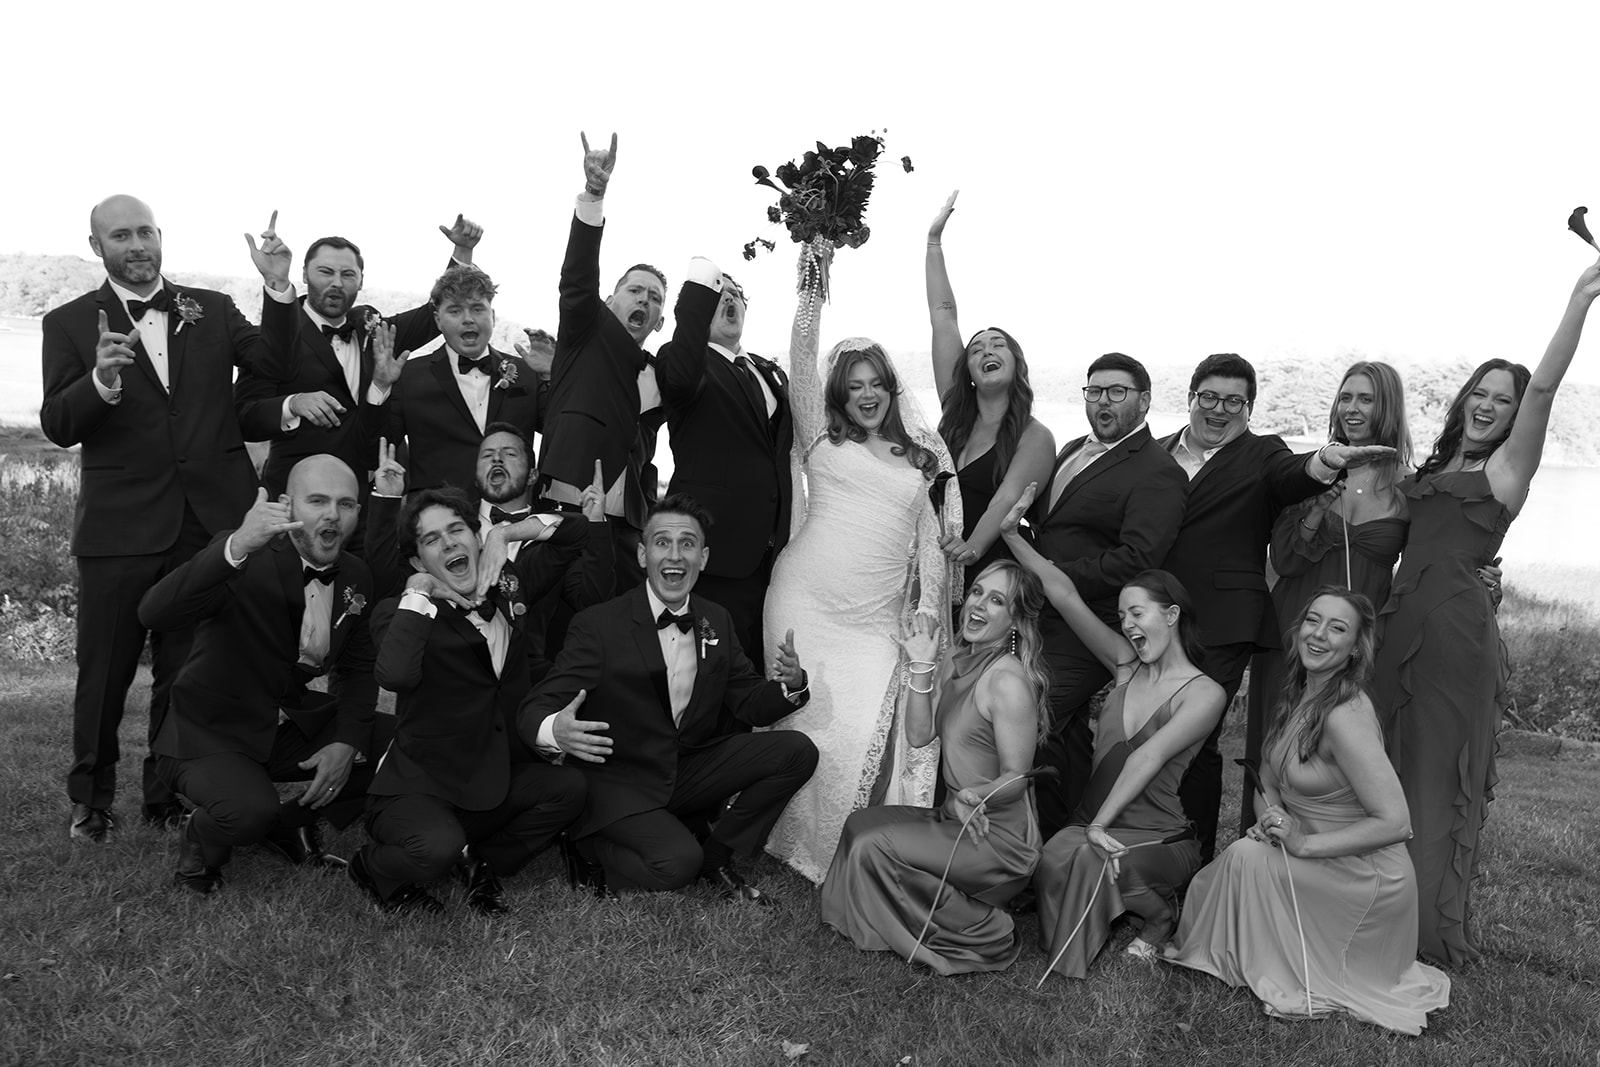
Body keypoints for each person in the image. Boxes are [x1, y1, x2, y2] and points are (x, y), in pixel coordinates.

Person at [41, 195, 299, 838]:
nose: (138, 245)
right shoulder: (70, 323)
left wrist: (275, 285)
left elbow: (272, 361)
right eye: (121, 236)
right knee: (105, 670)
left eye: (146, 232)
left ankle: (165, 793)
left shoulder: (208, 308)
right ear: (97, 246)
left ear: (161, 238)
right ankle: (92, 801)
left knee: (186, 669)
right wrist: (100, 382)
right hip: (118, 530)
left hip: (208, 524)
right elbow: (58, 424)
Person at [1373, 256, 1600, 966]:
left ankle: (1419, 928)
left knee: (1435, 772)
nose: (1488, 404)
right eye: (1481, 391)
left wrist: (1583, 294)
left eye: (1502, 399)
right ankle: (1368, 903)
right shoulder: (1436, 468)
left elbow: (1549, 389)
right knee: (1385, 763)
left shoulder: (1508, 469)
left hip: (1450, 634)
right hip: (1398, 624)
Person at [761, 239, 960, 883]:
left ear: (892, 388)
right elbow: (799, 353)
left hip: (873, 620)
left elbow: (931, 547)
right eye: (854, 386)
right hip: (804, 600)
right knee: (804, 720)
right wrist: (813, 281)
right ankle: (784, 837)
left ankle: (853, 849)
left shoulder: (921, 457)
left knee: (860, 729)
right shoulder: (819, 431)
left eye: (876, 384)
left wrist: (928, 613)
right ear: (838, 395)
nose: (867, 395)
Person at [1166, 590, 1452, 1034]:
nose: (1319, 635)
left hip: (1365, 877)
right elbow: (1268, 779)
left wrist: (1301, 842)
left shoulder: (1345, 715)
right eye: (1313, 621)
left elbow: (1396, 822)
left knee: (1243, 859)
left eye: (1337, 627)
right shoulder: (1300, 693)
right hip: (1313, 855)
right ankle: (1246, 953)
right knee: (1234, 861)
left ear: (1356, 647)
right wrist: (1271, 818)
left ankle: (1292, 962)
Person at [518, 494, 819, 902]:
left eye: (687, 543)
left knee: (797, 751)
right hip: (618, 779)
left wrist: (791, 685)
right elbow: (535, 707)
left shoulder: (717, 619)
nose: (674, 554)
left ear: (704, 557)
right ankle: (584, 845)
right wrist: (556, 729)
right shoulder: (599, 625)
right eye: (662, 542)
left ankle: (716, 856)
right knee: (675, 866)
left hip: (685, 769)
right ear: (642, 554)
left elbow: (748, 699)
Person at [1159, 353, 1392, 861]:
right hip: (1149, 620)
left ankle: (1187, 866)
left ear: (1250, 408)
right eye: (1210, 398)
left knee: (1193, 742)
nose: (1219, 410)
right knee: (1137, 733)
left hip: (1222, 622)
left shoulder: (1263, 454)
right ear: (1192, 397)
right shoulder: (1154, 454)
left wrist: (1324, 462)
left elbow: (1292, 475)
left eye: (1234, 401)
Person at [137, 456, 386, 893]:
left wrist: (346, 742)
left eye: (345, 504)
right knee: (248, 810)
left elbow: (360, 670)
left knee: (396, 744)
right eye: (318, 501)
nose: (332, 514)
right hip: (207, 732)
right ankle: (201, 843)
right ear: (288, 506)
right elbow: (154, 612)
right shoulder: (245, 556)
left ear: (357, 514)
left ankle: (291, 825)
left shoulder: (357, 575)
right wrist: (235, 546)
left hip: (284, 722)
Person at [1006, 488, 1226, 979]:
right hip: (1095, 821)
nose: (1126, 625)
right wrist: (1009, 535)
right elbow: (1063, 593)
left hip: (1160, 834)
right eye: (1122, 615)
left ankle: (1159, 915)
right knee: (1055, 856)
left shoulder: (1204, 692)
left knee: (1088, 858)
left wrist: (1098, 827)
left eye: (1137, 613)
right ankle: (1120, 893)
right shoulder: (1125, 667)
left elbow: (1147, 758)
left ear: (1170, 615)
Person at [349, 486, 591, 915]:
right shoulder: (402, 610)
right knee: (433, 849)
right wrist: (419, 590)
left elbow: (576, 531)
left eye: (457, 529)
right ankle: (371, 867)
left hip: (492, 774)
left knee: (569, 789)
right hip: (421, 786)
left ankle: (478, 861)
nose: (448, 543)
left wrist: (506, 532)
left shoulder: (509, 585)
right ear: (417, 560)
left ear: (476, 538)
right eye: (431, 540)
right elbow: (396, 675)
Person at [820, 561, 1048, 975]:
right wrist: (922, 667)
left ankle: (984, 927)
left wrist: (973, 796)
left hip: (997, 838)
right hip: (954, 816)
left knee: (874, 845)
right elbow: (920, 735)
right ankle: (894, 916)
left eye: (997, 600)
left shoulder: (1008, 681)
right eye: (977, 592)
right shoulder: (958, 658)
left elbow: (1017, 776)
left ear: (1016, 618)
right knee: (859, 825)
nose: (978, 605)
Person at [1242, 361, 1413, 835]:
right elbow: (1287, 559)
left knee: (1341, 745)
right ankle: (1261, 854)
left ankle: (1332, 863)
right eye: (1346, 397)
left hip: (1361, 633)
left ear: (1389, 408)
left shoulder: (1411, 485)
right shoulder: (1310, 469)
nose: (1352, 408)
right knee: (1277, 742)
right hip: (1297, 622)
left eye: (1366, 399)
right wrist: (1318, 500)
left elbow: (1428, 562)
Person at [1027, 352, 1188, 840]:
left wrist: (1053, 576)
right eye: (1094, 390)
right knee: (1065, 737)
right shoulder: (1074, 447)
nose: (1104, 401)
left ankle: (1029, 847)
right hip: (1038, 615)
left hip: (1089, 628)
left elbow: (1136, 558)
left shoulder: (1158, 470)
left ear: (1143, 401)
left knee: (1034, 718)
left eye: (1117, 392)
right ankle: (1065, 840)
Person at [235, 214, 482, 499]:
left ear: (361, 281)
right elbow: (246, 416)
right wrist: (293, 404)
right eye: (325, 272)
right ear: (304, 275)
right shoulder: (276, 336)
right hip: (300, 494)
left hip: (374, 494)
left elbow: (431, 315)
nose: (337, 283)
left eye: (348, 274)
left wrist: (462, 252)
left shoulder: (373, 330)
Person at [539, 132, 670, 590]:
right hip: (563, 518)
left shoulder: (661, 376)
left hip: (625, 532)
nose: (644, 300)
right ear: (610, 300)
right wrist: (594, 196)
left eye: (654, 299)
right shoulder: (585, 329)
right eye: (635, 290)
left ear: (658, 322)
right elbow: (577, 277)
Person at [656, 266, 796, 660]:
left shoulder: (768, 372)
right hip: (715, 552)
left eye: (736, 294)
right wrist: (702, 282)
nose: (730, 298)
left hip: (773, 554)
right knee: (709, 668)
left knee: (754, 667)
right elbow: (681, 380)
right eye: (719, 295)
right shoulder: (685, 362)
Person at [924, 190, 1056, 578]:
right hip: (934, 562)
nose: (986, 350)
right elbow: (942, 318)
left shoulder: (1035, 435)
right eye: (977, 348)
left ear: (1016, 364)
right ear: (969, 368)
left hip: (992, 568)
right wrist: (934, 243)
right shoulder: (954, 415)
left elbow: (1006, 498)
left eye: (998, 344)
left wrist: (972, 547)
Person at [468, 424, 614, 682]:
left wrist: (596, 526)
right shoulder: (453, 526)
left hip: (525, 686)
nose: (497, 458)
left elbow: (593, 601)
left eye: (509, 454)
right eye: (487, 454)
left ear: (533, 475)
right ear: (476, 473)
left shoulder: (560, 538)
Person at [386, 266, 547, 495]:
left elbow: (562, 432)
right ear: (437, 319)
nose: (468, 319)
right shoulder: (409, 375)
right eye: (455, 311)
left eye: (477, 309)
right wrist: (379, 387)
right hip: (437, 518)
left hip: (514, 516)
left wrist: (553, 375)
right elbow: (377, 444)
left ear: (492, 316)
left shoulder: (528, 371)